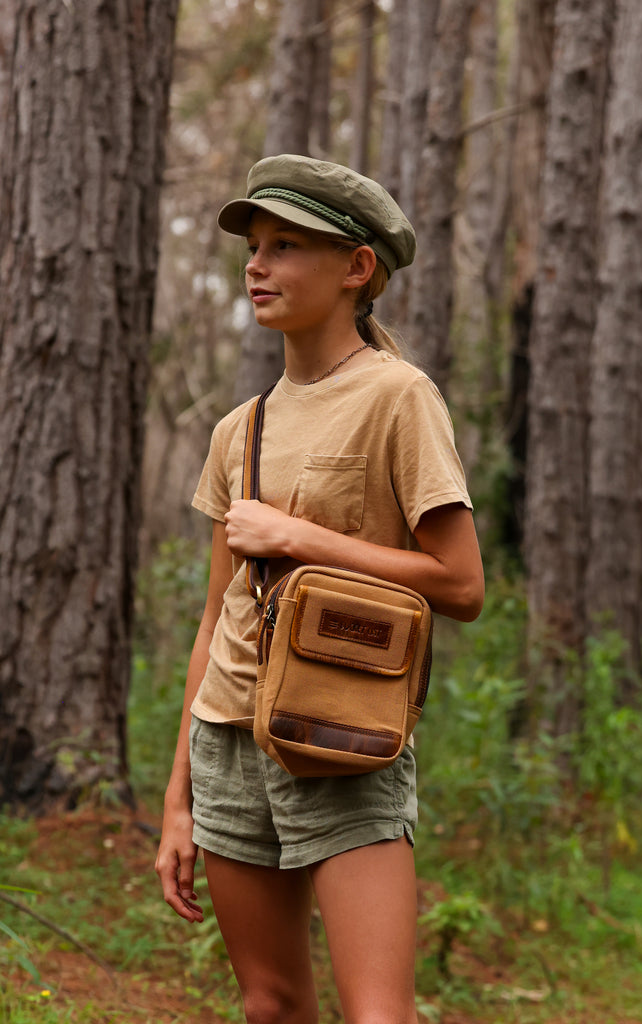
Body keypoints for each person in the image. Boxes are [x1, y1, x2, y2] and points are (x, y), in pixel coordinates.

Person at [155, 153, 485, 1024]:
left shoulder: (399, 398)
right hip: (226, 740)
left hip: (344, 734)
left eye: (285, 245)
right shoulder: (241, 428)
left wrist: (302, 539)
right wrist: (178, 799)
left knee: (378, 1014)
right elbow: (215, 617)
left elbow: (461, 583)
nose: (256, 265)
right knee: (270, 1005)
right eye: (254, 246)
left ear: (355, 268)